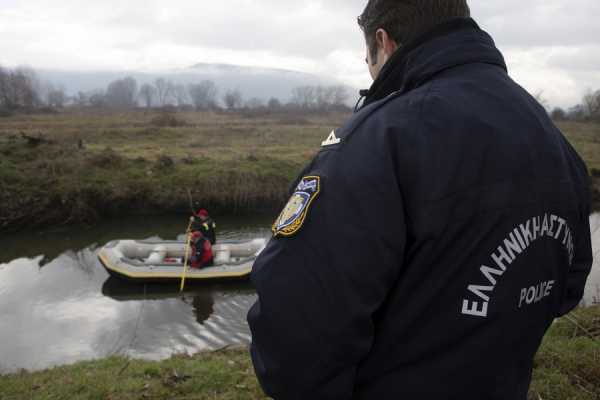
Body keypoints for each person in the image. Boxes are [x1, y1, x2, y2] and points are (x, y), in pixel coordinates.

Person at [247, 1, 593, 399]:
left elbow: (295, 330)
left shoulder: (380, 141)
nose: (372, 72)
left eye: (368, 61)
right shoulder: (549, 134)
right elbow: (568, 284)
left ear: (383, 41)